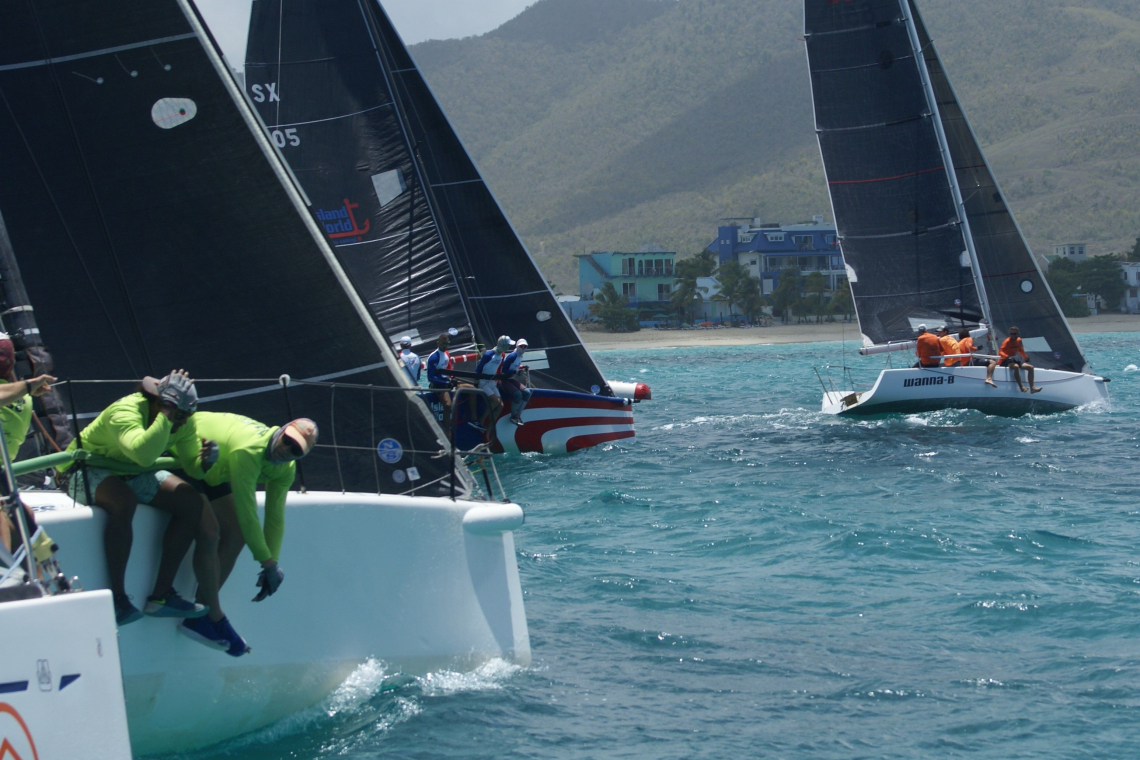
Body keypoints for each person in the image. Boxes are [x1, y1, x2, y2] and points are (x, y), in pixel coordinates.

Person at [56, 371, 211, 625]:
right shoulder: (125, 411)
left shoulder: (182, 419)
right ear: (162, 404)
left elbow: (192, 465)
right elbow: (143, 455)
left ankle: (161, 597)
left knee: (190, 501)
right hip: (81, 470)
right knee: (123, 500)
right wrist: (167, 415)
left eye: (189, 416)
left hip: (131, 471)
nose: (184, 423)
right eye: (181, 415)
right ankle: (118, 601)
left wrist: (205, 461)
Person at [177, 413, 317, 656]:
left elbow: (275, 517)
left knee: (237, 533)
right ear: (281, 431)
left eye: (296, 450)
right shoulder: (250, 450)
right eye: (287, 440)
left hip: (217, 467)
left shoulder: (285, 469)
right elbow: (247, 512)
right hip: (190, 451)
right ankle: (211, 615)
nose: (286, 450)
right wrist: (267, 563)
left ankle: (201, 612)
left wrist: (272, 560)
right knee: (217, 529)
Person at [425, 332, 480, 432]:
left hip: (447, 382)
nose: (445, 346)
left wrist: (452, 379)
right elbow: (431, 377)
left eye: (446, 344)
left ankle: (473, 419)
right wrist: (446, 382)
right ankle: (447, 431)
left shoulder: (447, 354)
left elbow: (449, 370)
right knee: (447, 404)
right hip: (437, 385)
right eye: (442, 344)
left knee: (473, 389)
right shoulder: (433, 357)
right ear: (438, 343)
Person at [986, 326, 1041, 392]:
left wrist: (1025, 357)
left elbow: (1020, 350)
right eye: (1011, 334)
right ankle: (1021, 387)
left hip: (1013, 359)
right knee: (1016, 366)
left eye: (1014, 334)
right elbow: (1000, 351)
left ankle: (1032, 388)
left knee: (1030, 367)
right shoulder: (1006, 341)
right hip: (1005, 360)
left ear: (1018, 334)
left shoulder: (1019, 340)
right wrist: (1007, 356)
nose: (1013, 335)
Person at [474, 336, 511, 430]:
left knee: (501, 406)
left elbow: (499, 368)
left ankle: (489, 427)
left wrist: (498, 378)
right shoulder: (488, 355)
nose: (509, 347)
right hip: (483, 381)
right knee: (496, 401)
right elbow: (478, 368)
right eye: (507, 345)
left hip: (491, 381)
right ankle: (480, 421)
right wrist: (476, 382)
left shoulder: (502, 355)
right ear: (502, 344)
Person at [498, 338, 533, 426]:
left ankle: (518, 415)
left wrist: (522, 367)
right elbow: (503, 370)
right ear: (517, 346)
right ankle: (513, 416)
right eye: (521, 346)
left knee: (527, 392)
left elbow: (515, 366)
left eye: (525, 346)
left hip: (510, 379)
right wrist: (515, 372)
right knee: (518, 394)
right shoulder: (512, 356)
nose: (523, 348)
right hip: (503, 379)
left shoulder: (520, 356)